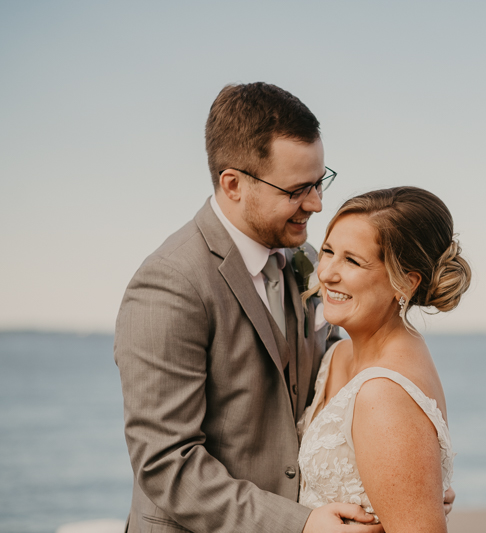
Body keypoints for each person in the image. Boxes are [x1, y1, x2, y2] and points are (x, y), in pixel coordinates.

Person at [114, 83, 390, 532]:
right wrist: (299, 525)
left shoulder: (309, 261)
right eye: (298, 190)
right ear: (233, 184)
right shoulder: (169, 284)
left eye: (320, 182)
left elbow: (332, 393)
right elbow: (167, 464)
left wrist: (401, 477)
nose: (317, 204)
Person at [296, 186, 471, 533]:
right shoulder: (339, 354)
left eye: (352, 261)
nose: (327, 273)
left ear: (404, 284)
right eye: (328, 251)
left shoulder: (384, 394)